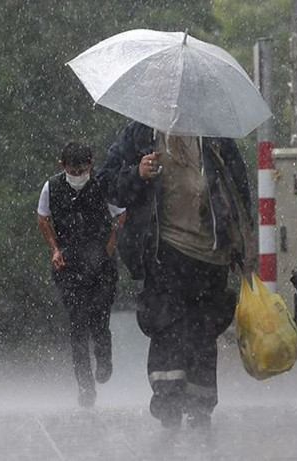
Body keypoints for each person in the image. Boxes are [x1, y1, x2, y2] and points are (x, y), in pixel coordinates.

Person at [96, 121, 256, 429]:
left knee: (203, 330)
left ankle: (200, 405)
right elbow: (106, 183)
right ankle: (168, 401)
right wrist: (136, 174)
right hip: (163, 249)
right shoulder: (141, 134)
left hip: (211, 252)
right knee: (166, 325)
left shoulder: (215, 135)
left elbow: (238, 190)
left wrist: (241, 247)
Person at [37, 141, 126, 408]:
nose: (78, 176)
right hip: (69, 266)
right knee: (77, 325)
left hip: (101, 265)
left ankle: (104, 356)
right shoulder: (51, 187)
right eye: (73, 171)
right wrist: (54, 249)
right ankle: (85, 386)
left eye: (83, 170)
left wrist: (111, 240)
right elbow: (43, 218)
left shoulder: (101, 185)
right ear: (62, 166)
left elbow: (121, 214)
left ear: (90, 165)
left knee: (100, 318)